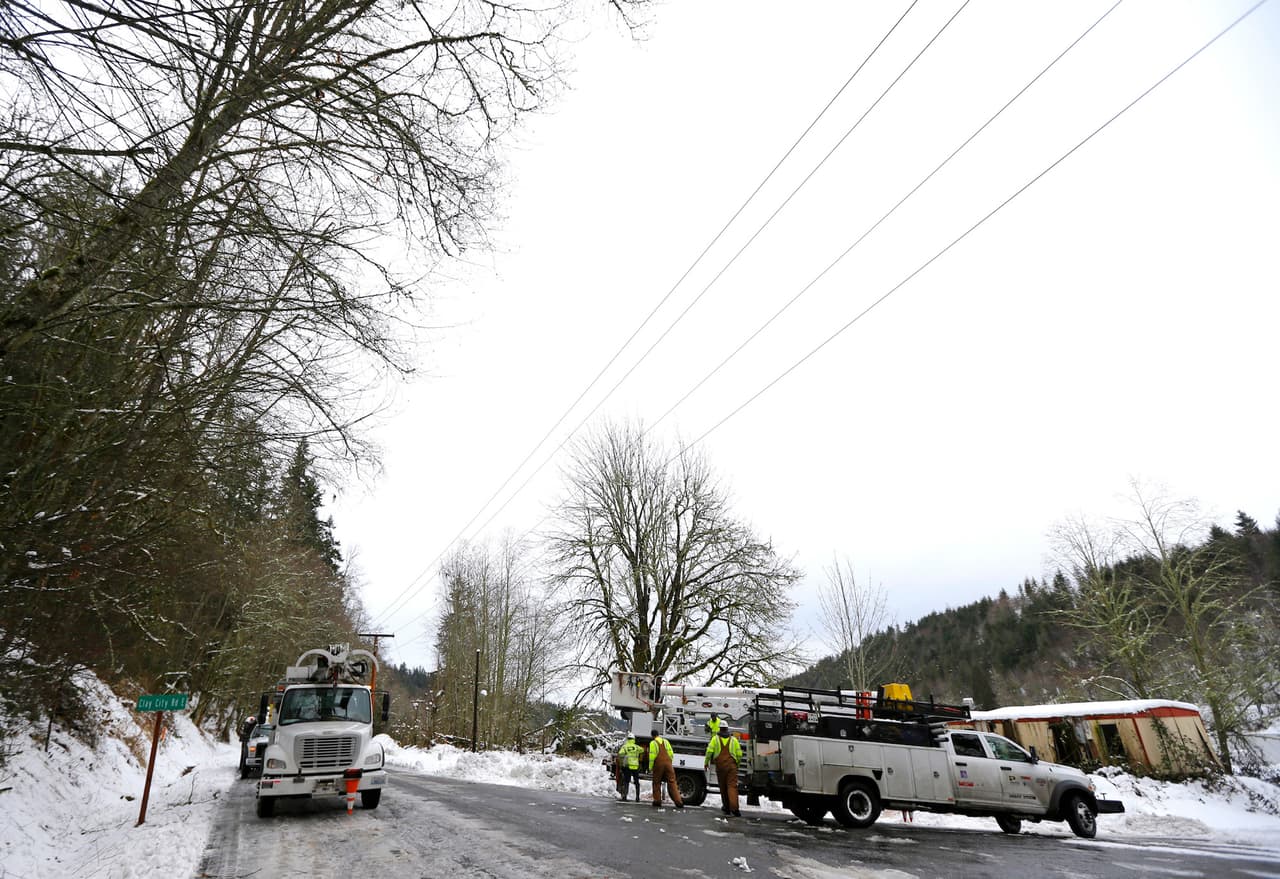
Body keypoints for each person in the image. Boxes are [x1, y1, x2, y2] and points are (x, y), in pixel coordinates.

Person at [705, 725, 743, 816]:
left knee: (723, 787)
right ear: (727, 729)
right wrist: (737, 764)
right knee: (732, 786)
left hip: (720, 767)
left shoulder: (715, 739)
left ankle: (726, 807)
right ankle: (735, 809)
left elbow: (709, 751)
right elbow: (739, 754)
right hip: (732, 767)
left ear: (720, 729)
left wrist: (706, 762)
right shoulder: (734, 740)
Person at [648, 727, 684, 809]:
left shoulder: (653, 743)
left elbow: (652, 756)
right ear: (658, 735)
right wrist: (669, 762)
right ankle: (679, 801)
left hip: (659, 764)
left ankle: (657, 801)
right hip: (668, 764)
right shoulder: (666, 741)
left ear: (652, 736)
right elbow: (671, 753)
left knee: (656, 782)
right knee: (672, 782)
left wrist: (650, 767)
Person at [616, 732, 644, 802]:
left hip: (627, 766)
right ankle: (637, 797)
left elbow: (620, 753)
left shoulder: (625, 746)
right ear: (634, 739)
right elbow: (642, 750)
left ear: (627, 739)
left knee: (626, 781)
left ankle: (624, 797)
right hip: (635, 767)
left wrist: (622, 762)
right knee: (636, 782)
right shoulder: (636, 747)